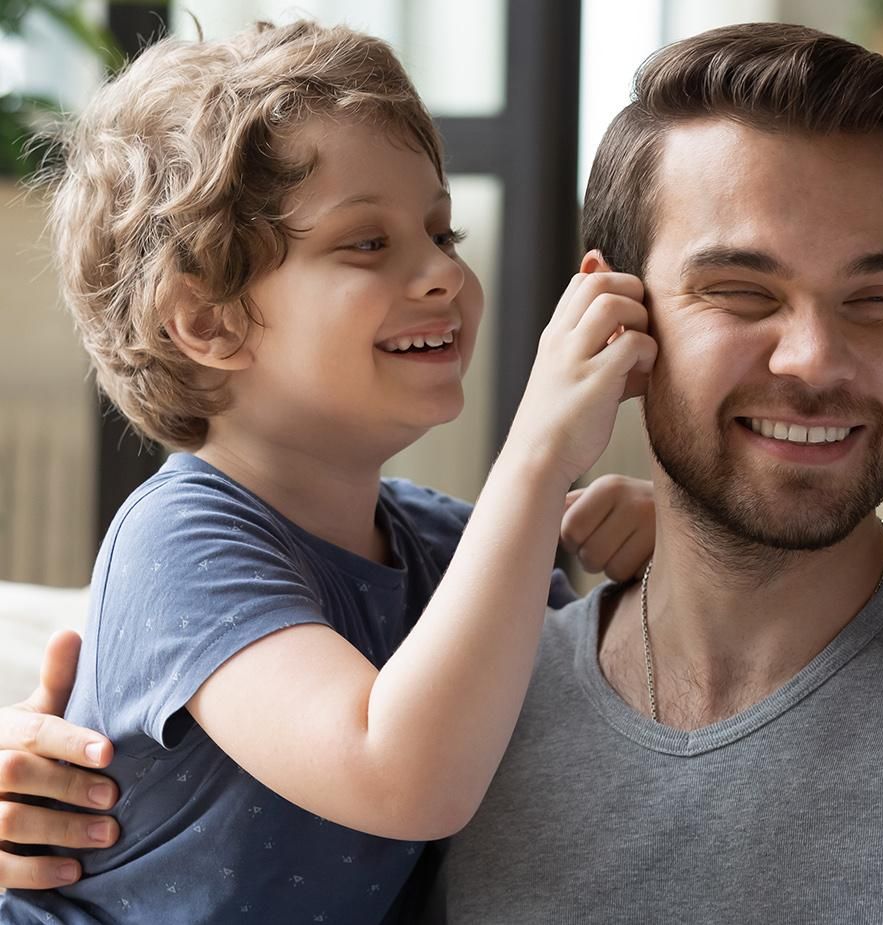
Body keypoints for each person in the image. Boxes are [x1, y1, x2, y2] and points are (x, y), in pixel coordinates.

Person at [0, 21, 883, 925]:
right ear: (614, 316)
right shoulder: (474, 661)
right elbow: (248, 748)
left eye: (876, 299)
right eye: (741, 292)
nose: (814, 358)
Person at [0, 20, 656, 924]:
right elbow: (399, 775)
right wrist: (538, 455)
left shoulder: (453, 546)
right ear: (210, 321)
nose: (444, 273)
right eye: (367, 243)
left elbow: (597, 746)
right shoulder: (178, 541)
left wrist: (664, 574)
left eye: (442, 231)